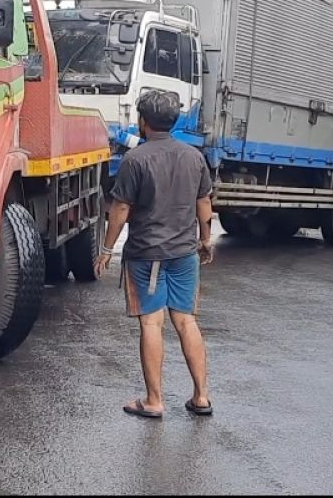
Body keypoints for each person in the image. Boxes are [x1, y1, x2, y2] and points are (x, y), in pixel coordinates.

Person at [95, 89, 215, 419]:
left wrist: (106, 249)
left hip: (147, 255)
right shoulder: (194, 157)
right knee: (185, 320)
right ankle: (202, 397)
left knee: (151, 322)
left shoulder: (136, 159)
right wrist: (205, 241)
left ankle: (154, 401)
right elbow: (204, 203)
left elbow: (120, 208)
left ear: (143, 122)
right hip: (184, 254)